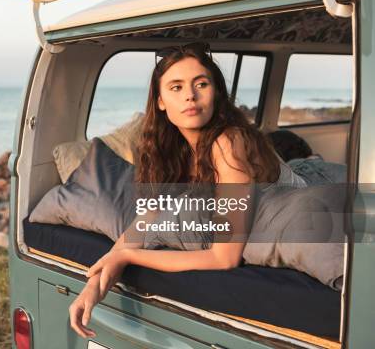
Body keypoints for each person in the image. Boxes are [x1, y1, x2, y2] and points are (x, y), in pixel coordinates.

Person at [69, 42, 303, 338]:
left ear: (216, 92)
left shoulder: (227, 143)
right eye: (176, 87)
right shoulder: (173, 151)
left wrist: (129, 257)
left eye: (200, 84)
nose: (190, 95)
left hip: (297, 196)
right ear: (161, 102)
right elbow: (143, 224)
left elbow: (224, 258)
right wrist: (92, 286)